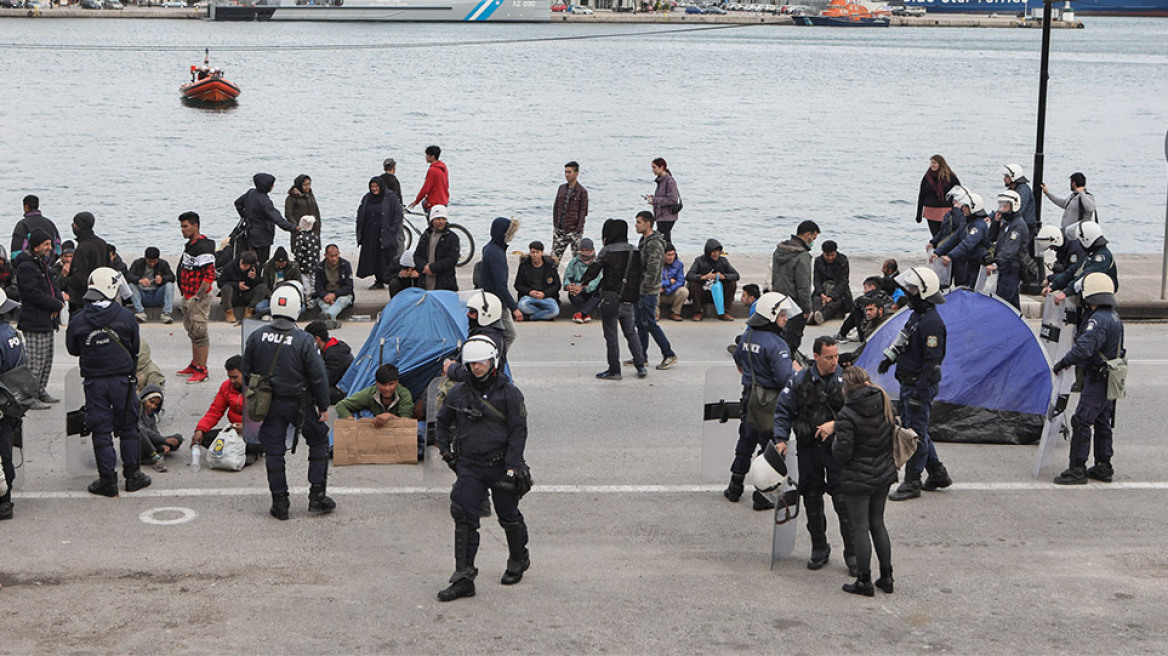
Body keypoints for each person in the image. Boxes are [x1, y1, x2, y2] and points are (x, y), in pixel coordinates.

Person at [434, 337, 531, 601]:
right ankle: (464, 577)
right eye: (472, 363)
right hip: (470, 468)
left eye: (481, 362)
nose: (477, 367)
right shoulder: (457, 393)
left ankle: (518, 558)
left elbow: (518, 431)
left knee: (508, 515)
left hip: (501, 465)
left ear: (493, 361)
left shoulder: (510, 393)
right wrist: (446, 453)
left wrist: (513, 466)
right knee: (463, 515)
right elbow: (441, 423)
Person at [241, 284, 335, 521]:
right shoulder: (303, 340)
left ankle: (280, 502)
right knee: (318, 441)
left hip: (269, 404)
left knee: (273, 452)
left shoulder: (256, 336)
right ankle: (317, 496)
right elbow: (318, 376)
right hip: (300, 403)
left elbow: (245, 372)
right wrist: (323, 406)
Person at [773, 336, 857, 576]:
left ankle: (852, 554)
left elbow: (860, 411)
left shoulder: (848, 380)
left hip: (837, 449)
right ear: (817, 357)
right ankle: (819, 548)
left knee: (842, 501)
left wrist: (835, 424)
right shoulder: (800, 380)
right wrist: (780, 440)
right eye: (829, 357)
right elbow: (783, 410)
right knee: (811, 497)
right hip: (809, 447)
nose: (834, 361)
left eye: (836, 356)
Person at [65, 268, 149, 497]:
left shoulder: (79, 319)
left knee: (100, 429)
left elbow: (73, 348)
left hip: (94, 382)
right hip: (123, 380)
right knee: (129, 426)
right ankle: (132, 475)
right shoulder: (124, 316)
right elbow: (135, 346)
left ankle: (108, 481)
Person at [878, 267, 952, 501]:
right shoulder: (917, 316)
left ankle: (912, 483)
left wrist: (920, 391)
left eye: (911, 289)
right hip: (909, 382)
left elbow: (932, 363)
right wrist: (889, 358)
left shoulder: (932, 323)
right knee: (916, 429)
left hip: (919, 385)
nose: (908, 293)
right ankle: (938, 473)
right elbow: (904, 338)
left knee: (914, 434)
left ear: (923, 292)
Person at [725, 292, 797, 510]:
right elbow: (785, 378)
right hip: (770, 402)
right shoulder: (777, 344)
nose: (785, 318)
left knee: (745, 443)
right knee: (770, 448)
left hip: (749, 396)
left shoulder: (747, 337)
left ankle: (735, 487)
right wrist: (798, 372)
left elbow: (738, 361)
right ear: (771, 315)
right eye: (782, 314)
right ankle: (762, 496)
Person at [1051, 273, 1124, 485]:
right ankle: (1103, 465)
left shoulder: (1097, 320)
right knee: (1102, 421)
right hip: (1110, 376)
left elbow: (1084, 349)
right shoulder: (1113, 316)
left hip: (1098, 377)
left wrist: (1062, 363)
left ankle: (1077, 469)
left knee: (1081, 421)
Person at [831, 366, 898, 596]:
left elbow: (843, 453)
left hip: (858, 477)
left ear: (847, 389)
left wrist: (834, 442)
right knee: (878, 523)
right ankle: (887, 577)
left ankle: (864, 580)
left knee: (860, 527)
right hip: (883, 473)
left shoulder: (847, 414)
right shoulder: (884, 401)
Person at [580, 219, 646, 380]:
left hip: (610, 299)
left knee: (611, 335)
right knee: (631, 332)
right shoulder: (635, 250)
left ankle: (614, 369)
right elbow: (640, 274)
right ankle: (640, 365)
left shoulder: (607, 251)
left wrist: (583, 282)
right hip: (629, 299)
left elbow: (594, 270)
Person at [14, 228, 63, 410]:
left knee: (47, 358)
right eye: (46, 244)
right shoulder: (26, 266)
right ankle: (29, 395)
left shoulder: (44, 264)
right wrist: (56, 304)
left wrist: (58, 301)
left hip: (47, 319)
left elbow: (54, 285)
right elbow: (32, 293)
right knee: (35, 360)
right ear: (36, 246)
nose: (50, 248)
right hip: (34, 320)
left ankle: (41, 389)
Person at [634, 211, 678, 370]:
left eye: (638, 222)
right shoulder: (644, 240)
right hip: (640, 289)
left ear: (647, 223)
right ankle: (641, 356)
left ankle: (668, 353)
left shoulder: (654, 244)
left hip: (648, 291)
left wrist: (644, 289)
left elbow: (653, 270)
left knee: (650, 323)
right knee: (640, 323)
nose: (636, 225)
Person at [177, 212, 216, 385]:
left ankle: (202, 369)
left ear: (195, 226)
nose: (182, 230)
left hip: (197, 297)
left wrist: (198, 297)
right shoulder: (190, 246)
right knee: (192, 331)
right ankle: (195, 364)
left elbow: (209, 275)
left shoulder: (203, 248)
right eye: (181, 227)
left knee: (200, 333)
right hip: (187, 295)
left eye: (185, 226)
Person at [192, 355, 254, 463]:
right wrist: (200, 429)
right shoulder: (226, 386)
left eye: (235, 377)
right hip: (234, 430)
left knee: (259, 440)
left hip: (254, 431)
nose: (232, 381)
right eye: (229, 377)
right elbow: (215, 411)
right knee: (204, 437)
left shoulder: (258, 388)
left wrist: (247, 428)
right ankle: (240, 451)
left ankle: (250, 452)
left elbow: (267, 417)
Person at [772, 221, 819, 352]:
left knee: (780, 334)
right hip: (795, 304)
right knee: (793, 338)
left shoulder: (779, 250)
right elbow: (803, 285)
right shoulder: (802, 256)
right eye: (814, 238)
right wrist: (807, 309)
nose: (813, 241)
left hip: (779, 299)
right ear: (808, 235)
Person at [0, 290, 26, 519]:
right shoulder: (13, 334)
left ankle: (3, 501)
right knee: (5, 451)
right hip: (12, 401)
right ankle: (5, 499)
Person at [1045, 222, 1117, 303]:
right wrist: (1054, 285)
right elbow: (1073, 271)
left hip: (1100, 298)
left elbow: (1086, 277)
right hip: (1089, 295)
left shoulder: (1102, 257)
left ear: (1086, 239)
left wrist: (1066, 292)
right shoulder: (1090, 254)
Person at [480, 217, 524, 347]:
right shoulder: (496, 254)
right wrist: (514, 308)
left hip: (488, 298)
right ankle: (498, 361)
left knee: (495, 333)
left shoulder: (489, 247)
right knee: (510, 334)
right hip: (497, 301)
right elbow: (501, 286)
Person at [235, 172, 297, 266]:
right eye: (272, 184)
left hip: (250, 233)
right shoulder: (264, 201)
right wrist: (293, 228)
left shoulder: (251, 192)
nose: (273, 186)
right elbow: (277, 218)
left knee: (251, 258)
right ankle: (258, 277)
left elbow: (238, 203)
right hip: (262, 237)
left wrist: (245, 216)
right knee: (261, 260)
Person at [931, 190, 989, 289]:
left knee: (972, 290)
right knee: (963, 287)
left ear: (973, 208)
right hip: (968, 262)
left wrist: (950, 256)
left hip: (976, 264)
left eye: (966, 207)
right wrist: (938, 252)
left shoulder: (978, 225)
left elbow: (968, 244)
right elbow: (954, 239)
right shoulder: (966, 223)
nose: (963, 209)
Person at [356, 177, 404, 290]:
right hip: (370, 233)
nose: (374, 189)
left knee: (388, 258)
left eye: (376, 186)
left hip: (385, 233)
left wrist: (393, 229)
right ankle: (379, 280)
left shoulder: (390, 198)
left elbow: (398, 214)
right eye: (372, 187)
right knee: (375, 258)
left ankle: (394, 280)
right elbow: (361, 212)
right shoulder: (367, 197)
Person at [985, 190, 1030, 309]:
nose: (1001, 208)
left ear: (1014, 206)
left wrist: (996, 263)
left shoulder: (1017, 225)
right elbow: (991, 237)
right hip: (1005, 268)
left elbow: (1010, 249)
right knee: (1013, 305)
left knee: (1003, 303)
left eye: (1005, 206)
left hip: (1012, 268)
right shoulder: (1007, 222)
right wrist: (996, 221)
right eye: (1000, 205)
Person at [336, 364, 415, 421]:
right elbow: (341, 405)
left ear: (397, 382)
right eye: (383, 385)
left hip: (396, 433)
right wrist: (350, 420)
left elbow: (406, 421)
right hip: (373, 431)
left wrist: (390, 417)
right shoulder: (368, 394)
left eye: (391, 384)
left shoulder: (404, 394)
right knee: (365, 414)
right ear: (377, 383)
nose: (387, 388)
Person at [66, 211, 109, 317]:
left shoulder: (83, 248)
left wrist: (68, 280)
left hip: (82, 298)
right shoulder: (102, 243)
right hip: (102, 293)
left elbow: (80, 277)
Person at [685, 239, 739, 322]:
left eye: (718, 251)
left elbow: (736, 275)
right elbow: (689, 275)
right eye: (714, 252)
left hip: (718, 293)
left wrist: (723, 276)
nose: (716, 254)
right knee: (693, 284)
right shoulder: (699, 261)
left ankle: (724, 311)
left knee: (732, 283)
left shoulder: (723, 261)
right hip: (703, 292)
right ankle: (698, 311)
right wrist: (703, 277)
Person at [412, 204, 460, 292]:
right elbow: (417, 255)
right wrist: (424, 266)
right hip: (425, 281)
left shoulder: (452, 237)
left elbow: (452, 259)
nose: (441, 221)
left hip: (444, 283)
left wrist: (433, 268)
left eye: (443, 219)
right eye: (438, 219)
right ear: (432, 220)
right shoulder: (426, 235)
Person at [305, 320, 354, 405]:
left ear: (317, 339)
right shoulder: (331, 347)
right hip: (336, 384)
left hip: (342, 390)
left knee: (307, 392)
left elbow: (325, 380)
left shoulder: (334, 355)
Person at [137, 384, 182, 471]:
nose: (153, 406)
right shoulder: (136, 410)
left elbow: (155, 432)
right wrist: (164, 440)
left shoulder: (150, 415)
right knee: (140, 431)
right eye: (151, 402)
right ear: (145, 399)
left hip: (150, 443)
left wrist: (162, 444)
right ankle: (156, 457)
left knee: (178, 437)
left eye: (156, 404)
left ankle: (159, 452)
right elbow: (144, 431)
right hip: (138, 446)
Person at [551, 161, 589, 261]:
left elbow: (583, 212)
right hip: (560, 229)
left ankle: (577, 276)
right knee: (553, 259)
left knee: (578, 260)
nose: (566, 175)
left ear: (576, 173)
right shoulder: (561, 188)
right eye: (565, 172)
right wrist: (556, 225)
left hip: (574, 231)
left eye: (569, 172)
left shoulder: (582, 192)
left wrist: (578, 229)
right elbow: (556, 207)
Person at [514, 241, 561, 321]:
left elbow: (557, 285)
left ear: (542, 253)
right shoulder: (524, 265)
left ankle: (530, 317)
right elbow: (517, 285)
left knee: (555, 310)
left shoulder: (550, 265)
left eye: (537, 252)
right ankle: (545, 314)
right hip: (529, 297)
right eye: (533, 252)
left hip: (546, 297)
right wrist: (529, 292)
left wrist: (544, 293)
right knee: (522, 305)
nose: (535, 255)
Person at [127, 246, 176, 324]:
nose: (152, 264)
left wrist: (162, 279)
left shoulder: (163, 264)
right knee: (132, 285)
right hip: (143, 294)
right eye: (150, 261)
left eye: (154, 261)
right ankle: (140, 312)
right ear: (145, 258)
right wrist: (139, 280)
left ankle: (166, 313)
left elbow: (172, 277)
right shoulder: (137, 263)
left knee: (170, 285)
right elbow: (129, 275)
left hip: (157, 294)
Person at [915, 154, 960, 237]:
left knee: (945, 235)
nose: (932, 165)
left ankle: (944, 249)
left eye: (935, 163)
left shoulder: (950, 176)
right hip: (930, 211)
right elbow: (921, 195)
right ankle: (937, 249)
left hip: (945, 210)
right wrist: (919, 214)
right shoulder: (927, 177)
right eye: (931, 163)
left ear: (940, 164)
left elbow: (959, 192)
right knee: (935, 235)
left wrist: (957, 209)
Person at [811, 241, 852, 325]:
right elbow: (817, 280)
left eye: (832, 255)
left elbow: (843, 282)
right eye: (827, 255)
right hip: (824, 288)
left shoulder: (842, 260)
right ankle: (817, 313)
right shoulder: (818, 261)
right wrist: (821, 293)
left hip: (838, 291)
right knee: (817, 299)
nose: (830, 258)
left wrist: (831, 296)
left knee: (834, 303)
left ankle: (822, 316)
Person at [313, 244, 355, 329]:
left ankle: (329, 316)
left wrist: (335, 295)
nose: (334, 259)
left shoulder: (345, 265)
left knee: (341, 301)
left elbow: (349, 286)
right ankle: (332, 322)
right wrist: (325, 296)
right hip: (325, 295)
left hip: (342, 294)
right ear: (325, 255)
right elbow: (318, 287)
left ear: (339, 254)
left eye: (336, 255)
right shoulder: (320, 267)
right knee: (324, 305)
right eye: (331, 256)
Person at [255, 247, 302, 317]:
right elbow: (265, 285)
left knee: (302, 308)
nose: (280, 265)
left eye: (282, 263)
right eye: (278, 263)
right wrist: (272, 296)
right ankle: (280, 311)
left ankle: (277, 312)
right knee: (259, 308)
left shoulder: (294, 267)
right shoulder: (267, 267)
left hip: (289, 297)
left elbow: (298, 283)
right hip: (272, 297)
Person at [563, 238, 601, 324]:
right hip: (576, 290)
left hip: (591, 290)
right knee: (573, 294)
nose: (585, 253)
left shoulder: (598, 263)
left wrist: (583, 288)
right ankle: (586, 314)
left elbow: (597, 280)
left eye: (587, 250)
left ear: (592, 250)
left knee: (599, 293)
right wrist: (568, 286)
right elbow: (567, 277)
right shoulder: (574, 262)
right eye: (582, 250)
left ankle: (581, 313)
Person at [835, 277, 885, 343]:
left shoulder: (866, 299)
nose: (864, 291)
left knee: (856, 311)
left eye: (865, 288)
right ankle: (843, 333)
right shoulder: (887, 297)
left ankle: (842, 334)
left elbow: (855, 303)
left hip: (870, 335)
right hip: (883, 331)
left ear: (872, 287)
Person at [219, 251, 263, 325]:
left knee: (262, 288)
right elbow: (221, 283)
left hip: (247, 295)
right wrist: (237, 285)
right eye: (242, 263)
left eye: (246, 265)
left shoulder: (255, 268)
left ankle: (249, 310)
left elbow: (259, 283)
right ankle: (229, 311)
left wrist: (254, 278)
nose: (242, 267)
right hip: (233, 295)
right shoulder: (230, 266)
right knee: (226, 287)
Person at [12, 194, 61, 260]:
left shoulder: (22, 225)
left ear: (26, 207)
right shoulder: (50, 223)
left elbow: (16, 251)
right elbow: (58, 247)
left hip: (29, 264)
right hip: (49, 263)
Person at [644, 157, 680, 242]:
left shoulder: (669, 181)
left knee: (660, 240)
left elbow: (673, 199)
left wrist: (655, 201)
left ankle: (668, 255)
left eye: (654, 167)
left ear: (662, 167)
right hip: (661, 216)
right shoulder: (661, 181)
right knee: (666, 241)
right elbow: (663, 197)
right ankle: (672, 255)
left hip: (667, 217)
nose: (653, 170)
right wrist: (653, 198)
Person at [409, 145, 449, 214]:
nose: (426, 157)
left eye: (427, 155)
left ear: (432, 156)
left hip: (435, 201)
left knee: (425, 205)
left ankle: (430, 223)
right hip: (444, 199)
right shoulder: (443, 167)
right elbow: (447, 184)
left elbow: (426, 189)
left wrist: (416, 201)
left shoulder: (432, 170)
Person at [284, 174, 321, 250]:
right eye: (304, 185)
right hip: (299, 230)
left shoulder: (310, 195)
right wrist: (296, 226)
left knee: (314, 252)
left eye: (309, 184)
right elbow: (288, 214)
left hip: (313, 229)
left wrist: (318, 224)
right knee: (300, 252)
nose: (307, 187)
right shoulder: (291, 198)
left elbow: (316, 210)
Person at [1001, 164, 1037, 234]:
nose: (1004, 179)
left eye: (1007, 176)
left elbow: (1020, 210)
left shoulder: (1023, 190)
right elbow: (1003, 207)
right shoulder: (1012, 190)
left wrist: (1004, 221)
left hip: (1025, 228)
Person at [658, 244, 688, 321]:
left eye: (673, 254)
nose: (671, 257)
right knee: (654, 290)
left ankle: (675, 313)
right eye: (669, 255)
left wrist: (667, 289)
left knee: (684, 291)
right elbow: (654, 281)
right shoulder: (657, 264)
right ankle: (655, 314)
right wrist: (668, 282)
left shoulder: (678, 264)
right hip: (659, 293)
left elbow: (680, 281)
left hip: (671, 292)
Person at [293, 215, 322, 293]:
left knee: (305, 284)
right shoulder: (315, 236)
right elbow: (317, 250)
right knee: (313, 282)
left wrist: (296, 262)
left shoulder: (300, 238)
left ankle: (306, 298)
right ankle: (315, 297)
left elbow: (298, 253)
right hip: (314, 263)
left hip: (303, 265)